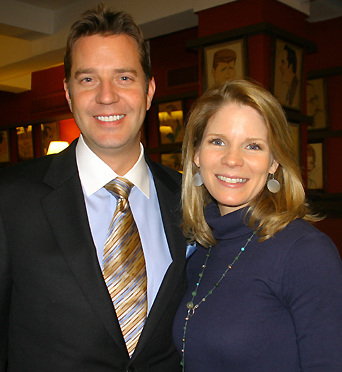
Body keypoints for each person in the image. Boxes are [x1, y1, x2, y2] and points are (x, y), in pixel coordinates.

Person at [0, 4, 187, 372]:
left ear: (149, 91)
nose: (106, 96)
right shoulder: (10, 200)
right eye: (88, 79)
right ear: (68, 92)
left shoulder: (187, 198)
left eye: (124, 78)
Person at [173, 79, 342, 371]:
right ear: (196, 154)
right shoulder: (198, 247)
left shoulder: (305, 252)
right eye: (218, 141)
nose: (233, 160)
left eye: (253, 146)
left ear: (274, 162)